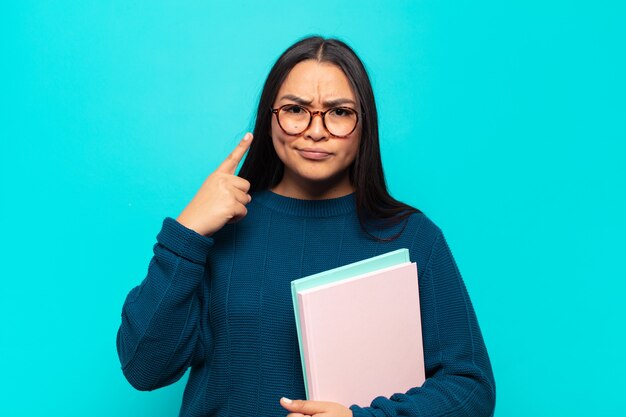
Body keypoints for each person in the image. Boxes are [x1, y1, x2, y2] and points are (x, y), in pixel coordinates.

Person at [117, 36, 496, 417]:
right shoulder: (218, 230)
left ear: (365, 124)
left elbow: (471, 389)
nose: (316, 131)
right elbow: (144, 367)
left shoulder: (413, 236)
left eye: (339, 112)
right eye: (296, 109)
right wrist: (186, 234)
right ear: (270, 118)